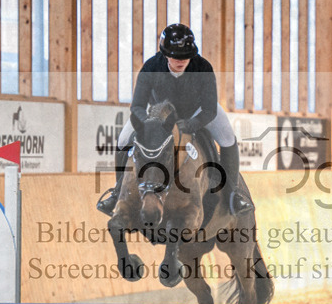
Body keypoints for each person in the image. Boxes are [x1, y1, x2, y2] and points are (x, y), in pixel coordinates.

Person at [97, 23, 254, 216]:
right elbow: (137, 106)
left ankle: (234, 194)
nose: (181, 61)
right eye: (175, 56)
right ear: (165, 53)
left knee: (228, 139)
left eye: (185, 56)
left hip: (197, 111)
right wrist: (149, 124)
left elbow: (210, 109)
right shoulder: (151, 67)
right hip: (157, 115)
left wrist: (191, 124)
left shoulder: (203, 67)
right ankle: (117, 190)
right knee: (122, 140)